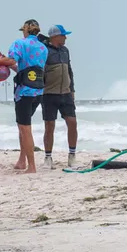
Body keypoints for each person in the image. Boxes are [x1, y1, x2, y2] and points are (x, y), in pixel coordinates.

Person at [0, 19, 48, 174]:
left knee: (25, 129)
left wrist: (0, 61)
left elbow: (11, 59)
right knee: (22, 127)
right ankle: (21, 161)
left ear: (25, 30)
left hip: (24, 93)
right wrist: (11, 66)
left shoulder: (20, 43)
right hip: (38, 92)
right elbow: (27, 70)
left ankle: (31, 166)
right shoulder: (43, 48)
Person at [41, 24, 78, 169]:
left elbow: (69, 70)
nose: (66, 37)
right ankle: (48, 158)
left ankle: (72, 156)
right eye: (63, 35)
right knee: (49, 126)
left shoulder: (65, 51)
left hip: (66, 94)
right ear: (56, 36)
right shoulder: (45, 51)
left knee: (72, 123)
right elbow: (41, 72)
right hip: (49, 94)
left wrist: (72, 89)